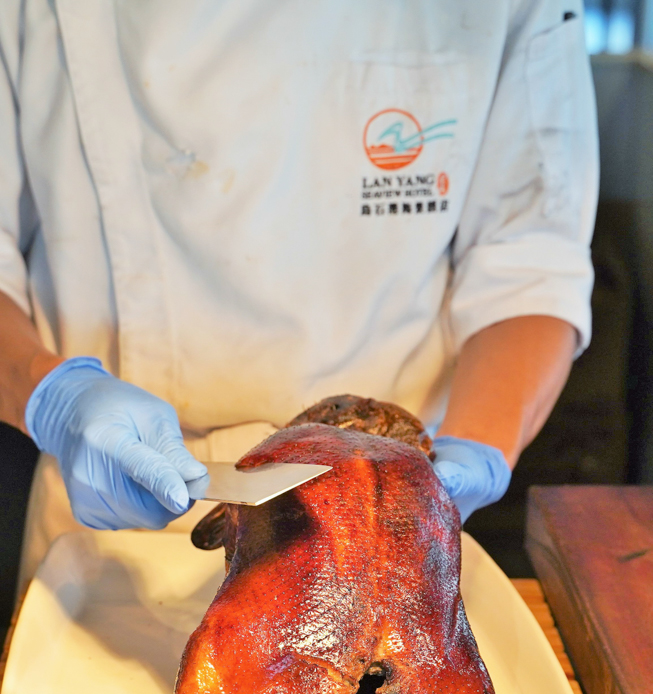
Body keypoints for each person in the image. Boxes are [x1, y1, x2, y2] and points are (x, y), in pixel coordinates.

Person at [0, 0, 598, 592]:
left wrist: (478, 448)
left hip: (387, 527)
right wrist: (52, 395)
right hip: (112, 515)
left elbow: (530, 256)